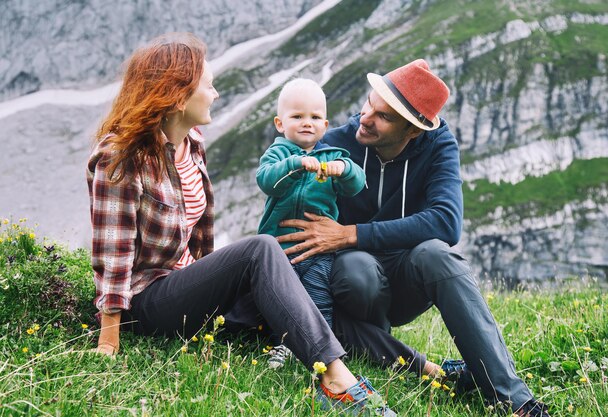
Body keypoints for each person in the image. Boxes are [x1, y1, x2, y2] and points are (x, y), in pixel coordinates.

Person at [86, 32, 395, 416]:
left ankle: (422, 366)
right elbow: (112, 252)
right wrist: (110, 338)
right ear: (177, 95)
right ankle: (336, 380)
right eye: (209, 85)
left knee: (302, 296)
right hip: (147, 301)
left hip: (187, 287)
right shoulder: (120, 157)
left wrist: (213, 283)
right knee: (261, 249)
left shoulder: (190, 143)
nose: (215, 94)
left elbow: (199, 238)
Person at [277, 59, 550, 416]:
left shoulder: (437, 146)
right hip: (348, 281)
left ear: (413, 131)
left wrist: (352, 234)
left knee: (438, 254)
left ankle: (515, 402)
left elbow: (447, 222)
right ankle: (384, 357)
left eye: (384, 117)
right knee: (357, 267)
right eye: (368, 104)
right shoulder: (336, 143)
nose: (366, 118)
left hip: (405, 275)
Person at [256, 78, 365, 368]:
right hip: (280, 249)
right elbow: (267, 181)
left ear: (325, 125)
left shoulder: (333, 157)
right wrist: (294, 165)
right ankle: (281, 345)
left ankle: (320, 350)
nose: (307, 123)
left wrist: (344, 170)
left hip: (319, 250)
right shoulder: (279, 154)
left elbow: (357, 184)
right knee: (281, 298)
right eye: (298, 117)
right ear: (280, 124)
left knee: (318, 297)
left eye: (315, 117)